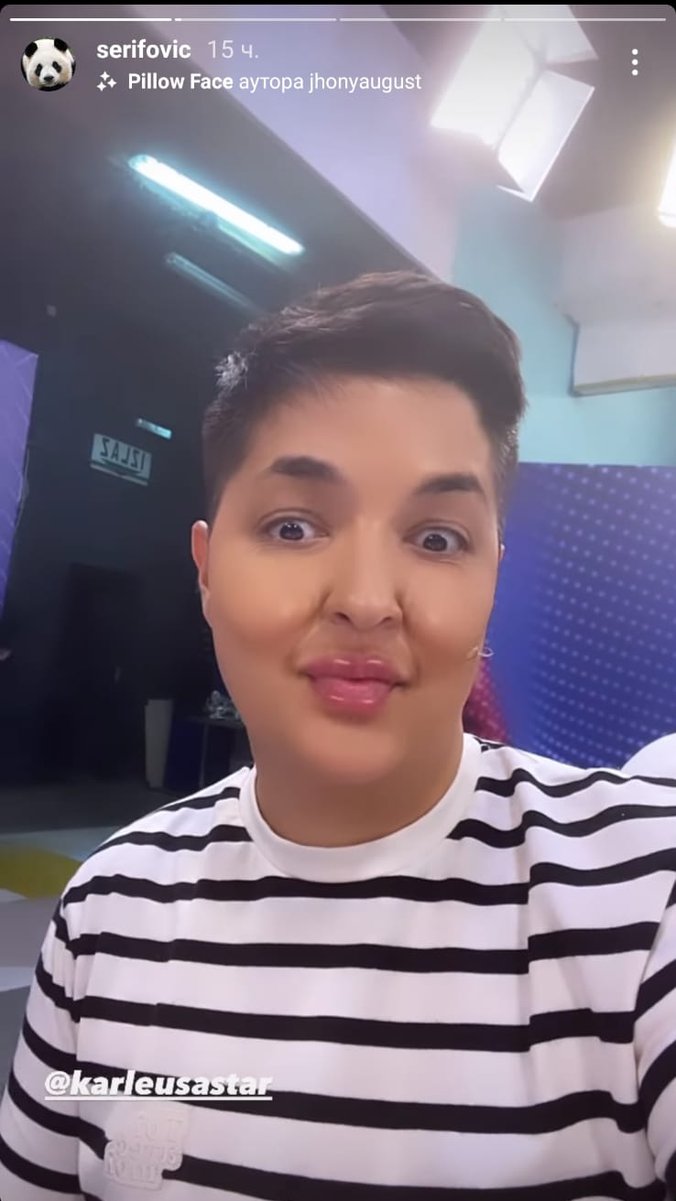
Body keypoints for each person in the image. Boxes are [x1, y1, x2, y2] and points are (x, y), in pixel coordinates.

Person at [1, 271, 675, 1199]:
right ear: (207, 568)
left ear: (491, 578)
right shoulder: (108, 909)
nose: (365, 600)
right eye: (293, 525)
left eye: (436, 539)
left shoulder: (641, 894)